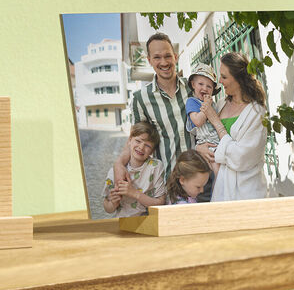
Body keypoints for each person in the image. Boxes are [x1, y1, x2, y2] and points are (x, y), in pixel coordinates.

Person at [113, 33, 193, 185]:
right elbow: (135, 139)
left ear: (175, 57)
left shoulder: (193, 87)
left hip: (201, 180)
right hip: (169, 182)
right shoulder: (141, 99)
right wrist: (119, 163)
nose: (164, 62)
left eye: (167, 56)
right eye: (157, 57)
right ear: (149, 60)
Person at [198, 52, 268, 202]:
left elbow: (240, 157)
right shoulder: (220, 104)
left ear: (239, 79)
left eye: (224, 77)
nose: (220, 82)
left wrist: (216, 122)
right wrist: (200, 148)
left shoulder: (257, 113)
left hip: (246, 193)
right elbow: (205, 135)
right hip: (219, 189)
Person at [102, 121, 167, 218]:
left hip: (148, 221)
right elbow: (107, 208)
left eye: (147, 145)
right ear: (129, 140)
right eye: (138, 141)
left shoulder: (155, 166)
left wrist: (134, 193)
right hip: (123, 222)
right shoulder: (114, 172)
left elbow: (161, 203)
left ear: (152, 151)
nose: (141, 147)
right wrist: (113, 203)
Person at [183, 63, 225, 176]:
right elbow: (198, 121)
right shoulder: (192, 102)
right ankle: (219, 192)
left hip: (219, 142)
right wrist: (206, 106)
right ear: (193, 84)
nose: (204, 88)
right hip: (206, 143)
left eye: (209, 86)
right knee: (217, 172)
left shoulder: (214, 104)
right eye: (201, 84)